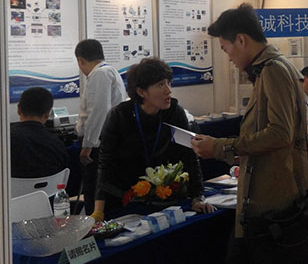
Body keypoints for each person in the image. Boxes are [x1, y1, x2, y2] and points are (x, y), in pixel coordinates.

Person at [191, 3, 308, 264]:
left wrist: (220, 147)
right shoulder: (272, 67)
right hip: (271, 195)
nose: (228, 57)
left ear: (241, 40)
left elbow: (280, 134)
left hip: (273, 202)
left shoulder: (273, 70)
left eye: (225, 48)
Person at [91, 58, 213, 221]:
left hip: (162, 196)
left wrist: (198, 198)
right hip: (125, 198)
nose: (168, 90)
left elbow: (189, 156)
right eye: (160, 85)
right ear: (141, 92)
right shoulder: (119, 115)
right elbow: (105, 164)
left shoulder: (174, 112)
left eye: (169, 83)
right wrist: (98, 212)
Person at [75, 39, 127, 214]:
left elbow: (98, 112)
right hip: (107, 140)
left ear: (81, 60)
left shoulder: (99, 74)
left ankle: (95, 226)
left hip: (98, 144)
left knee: (94, 192)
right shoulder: (110, 71)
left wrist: (88, 145)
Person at [10, 87, 69, 178]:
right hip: (50, 187)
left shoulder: (6, 143)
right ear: (47, 114)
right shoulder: (57, 145)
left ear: (18, 109)